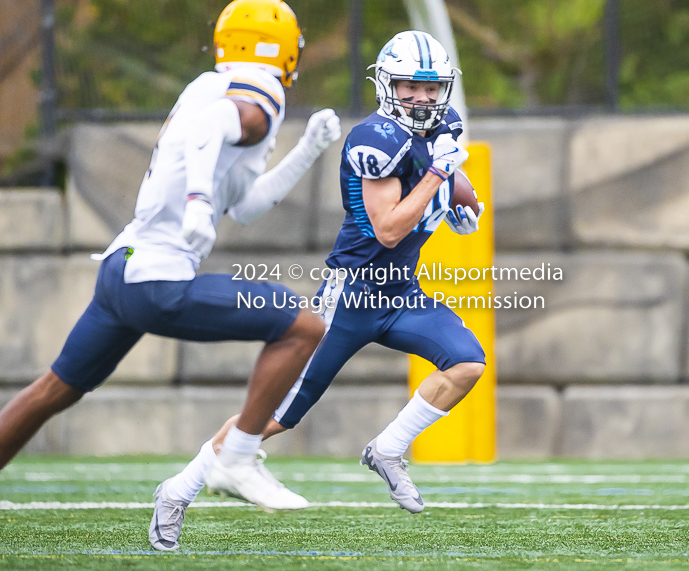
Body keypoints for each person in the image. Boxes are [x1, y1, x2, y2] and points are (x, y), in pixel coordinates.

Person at [0, 0, 341, 552]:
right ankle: (236, 457)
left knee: (52, 390)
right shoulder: (261, 91)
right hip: (156, 280)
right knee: (304, 327)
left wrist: (308, 149)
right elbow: (211, 134)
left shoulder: (208, 86)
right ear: (282, 50)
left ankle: (236, 456)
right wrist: (200, 202)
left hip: (120, 271)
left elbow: (249, 204)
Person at [159, 29, 486, 539]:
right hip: (350, 297)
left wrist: (466, 201)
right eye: (409, 87)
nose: (422, 98)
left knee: (467, 363)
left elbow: (445, 171)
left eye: (430, 88)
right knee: (274, 417)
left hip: (402, 293)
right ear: (386, 86)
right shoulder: (374, 140)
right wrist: (442, 177)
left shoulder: (442, 124)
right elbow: (391, 226)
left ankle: (389, 449)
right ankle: (179, 489)